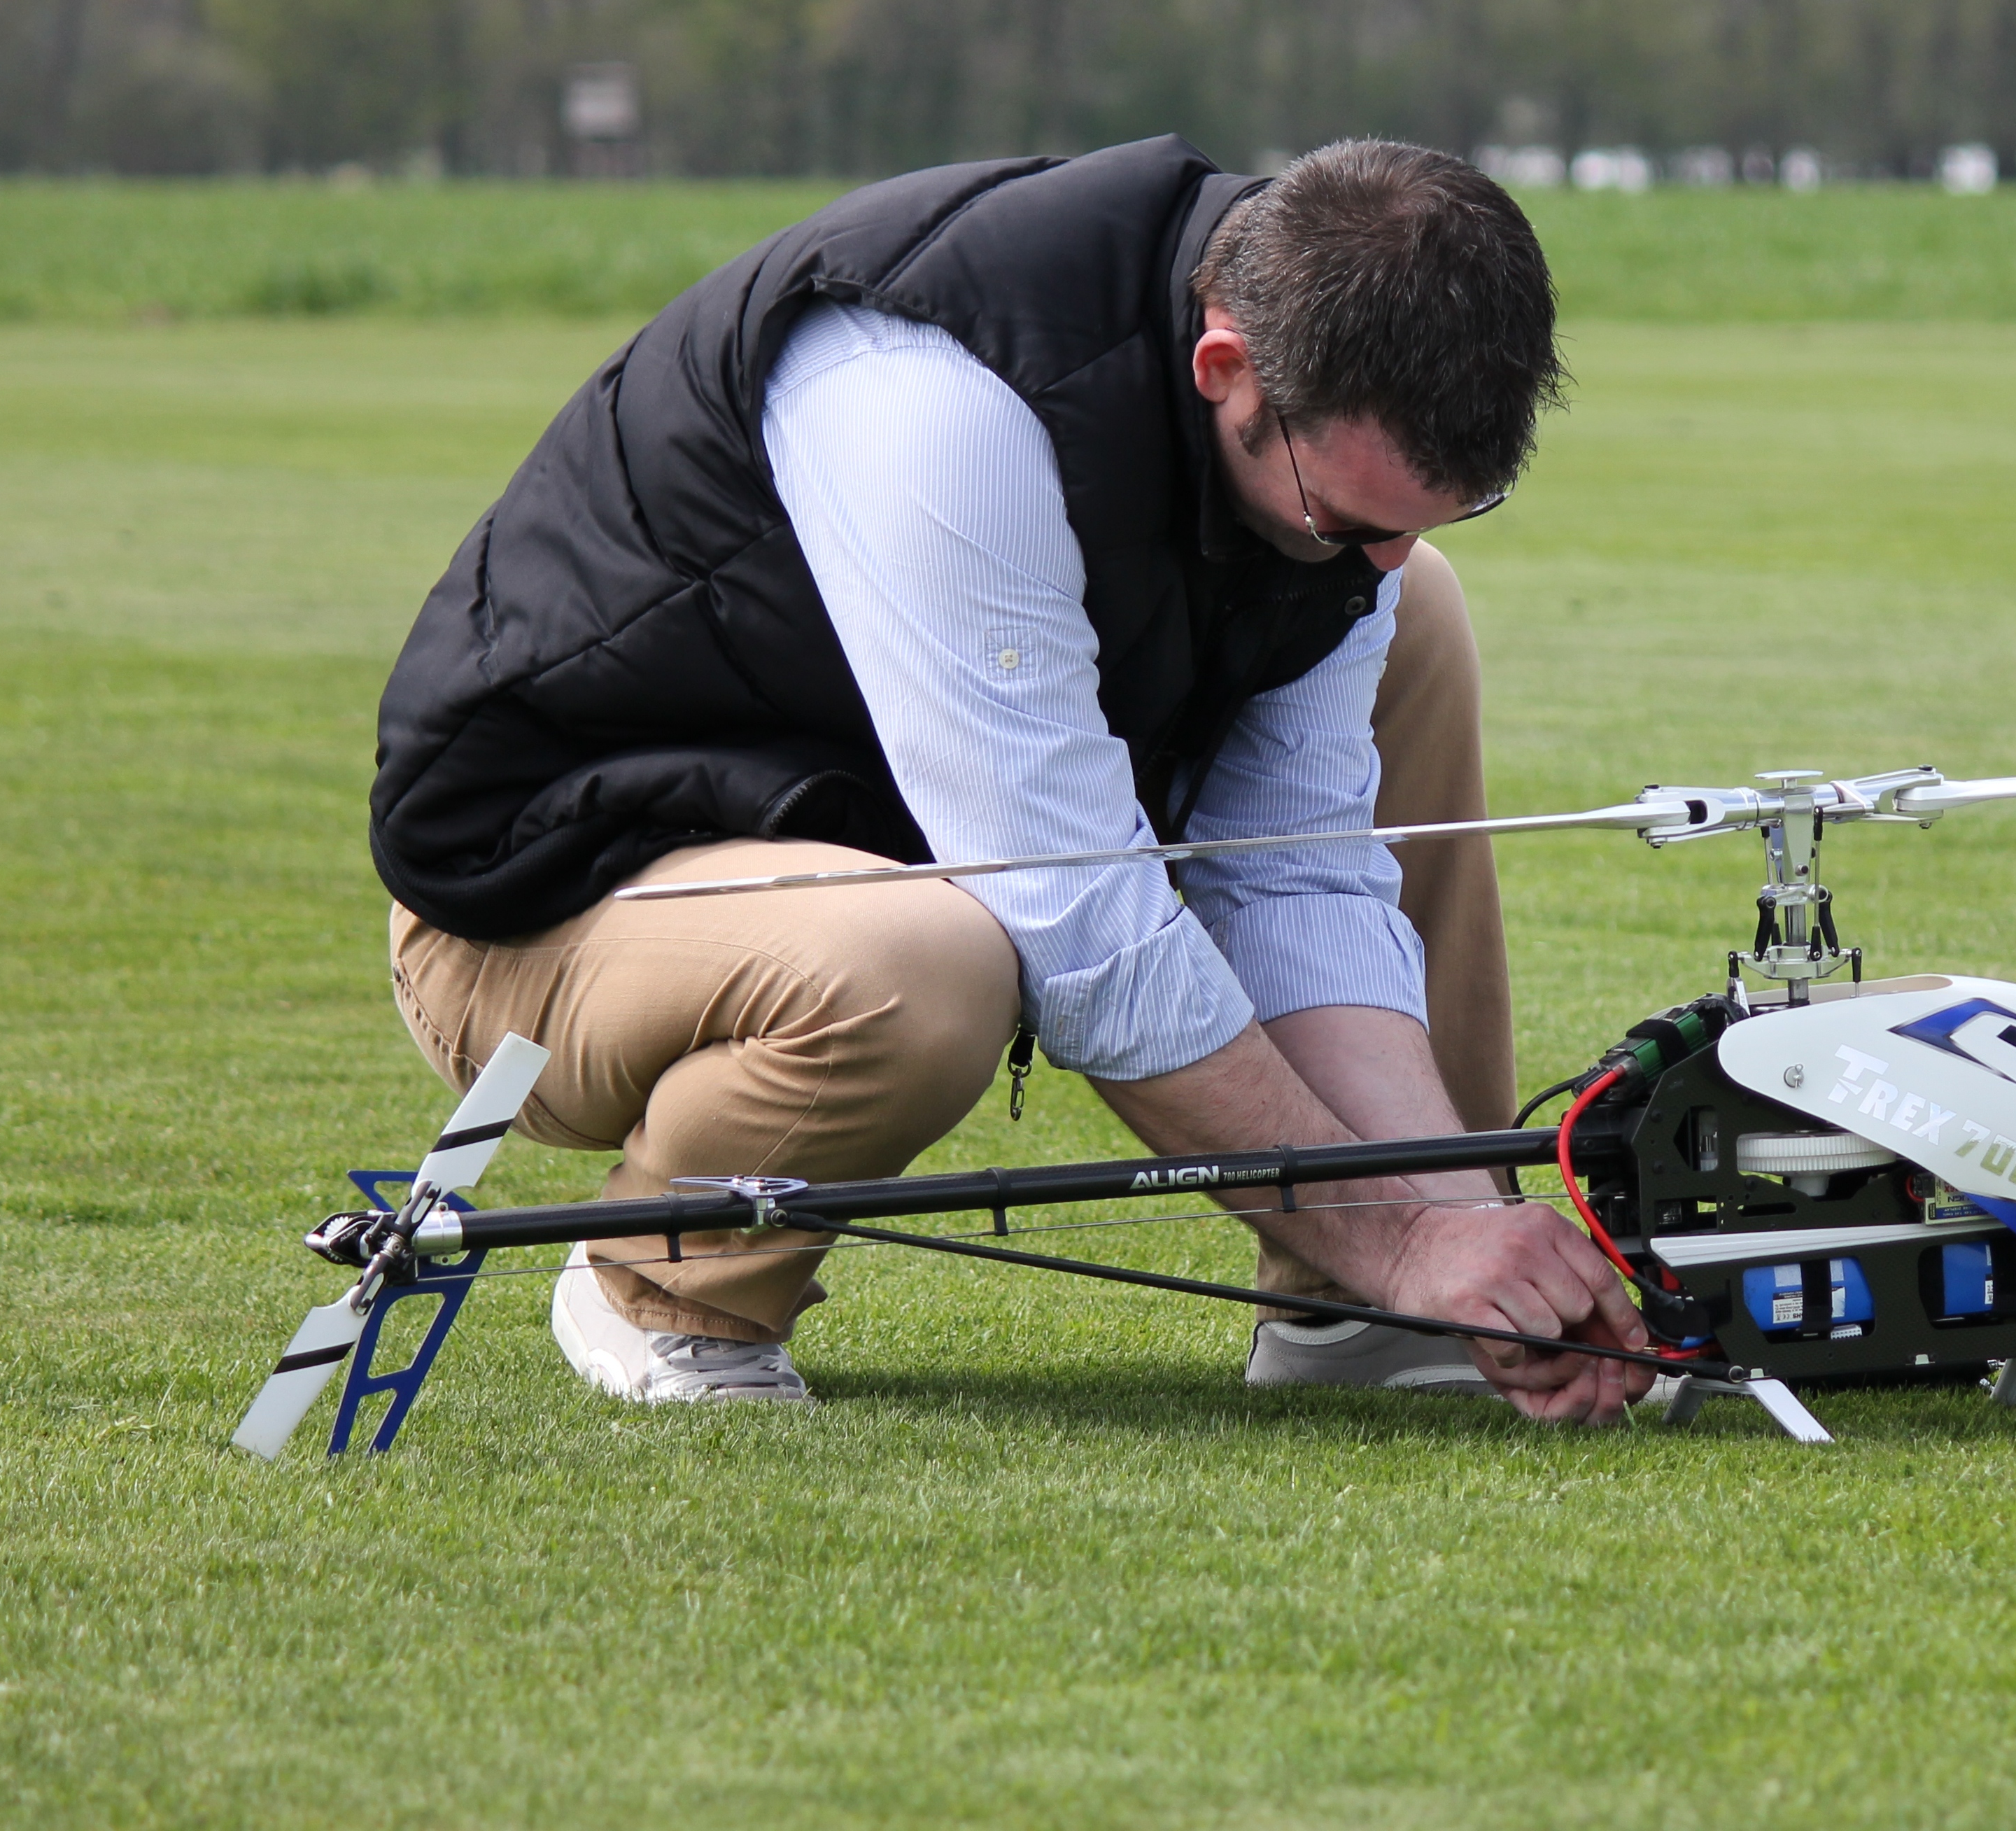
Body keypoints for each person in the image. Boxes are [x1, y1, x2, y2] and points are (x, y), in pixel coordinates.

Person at [367, 135, 1651, 1424]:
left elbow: (1295, 878)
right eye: (1346, 518)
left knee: (1417, 619)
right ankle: (665, 1279)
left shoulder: (1320, 442)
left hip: (858, 835)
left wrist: (1462, 1228)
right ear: (1226, 371)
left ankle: (1362, 1310)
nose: (1377, 561)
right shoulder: (931, 408)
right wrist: (1402, 1236)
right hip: (547, 904)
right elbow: (1079, 926)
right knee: (925, 963)